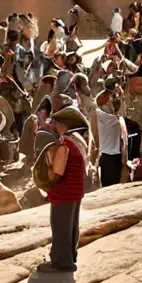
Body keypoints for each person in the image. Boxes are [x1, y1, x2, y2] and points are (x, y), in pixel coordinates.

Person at [42, 107, 88, 273]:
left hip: (64, 192)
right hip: (76, 191)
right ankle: (70, 257)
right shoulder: (79, 141)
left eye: (58, 123)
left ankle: (61, 262)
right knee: (71, 226)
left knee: (60, 226)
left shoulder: (65, 144)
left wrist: (49, 157)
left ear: (64, 126)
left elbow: (58, 171)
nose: (55, 126)